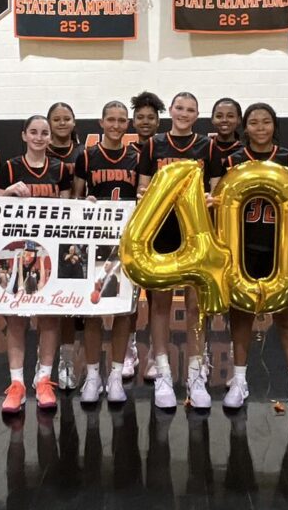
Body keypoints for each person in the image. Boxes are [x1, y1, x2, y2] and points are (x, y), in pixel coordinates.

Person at [221, 103, 288, 414]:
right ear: (245, 127)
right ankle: (239, 380)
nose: (260, 127)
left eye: (266, 122)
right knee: (241, 318)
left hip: (280, 249)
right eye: (253, 122)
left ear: (273, 125)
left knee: (287, 319)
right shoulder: (233, 160)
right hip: (242, 248)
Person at [137, 92, 219, 410]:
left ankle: (196, 376)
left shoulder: (207, 146)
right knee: (160, 305)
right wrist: (147, 195)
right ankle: (163, 374)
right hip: (162, 232)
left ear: (197, 114)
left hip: (196, 234)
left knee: (196, 306)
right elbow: (141, 188)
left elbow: (217, 189)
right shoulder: (153, 145)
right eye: (179, 108)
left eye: (190, 109)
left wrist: (212, 199)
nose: (184, 113)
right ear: (170, 111)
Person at [0, 115, 73, 414]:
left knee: (49, 317)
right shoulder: (11, 167)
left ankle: (44, 379)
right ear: (24, 135)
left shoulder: (61, 169)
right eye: (34, 132)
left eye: (45, 133)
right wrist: (8, 194)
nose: (40, 137)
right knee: (16, 319)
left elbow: (68, 208)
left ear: (51, 137)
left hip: (48, 253)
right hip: (15, 250)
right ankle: (16, 383)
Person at [72, 100, 140, 404]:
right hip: (93, 243)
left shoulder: (137, 158)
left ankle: (115, 376)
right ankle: (92, 375)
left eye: (121, 120)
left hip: (127, 243)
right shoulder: (86, 157)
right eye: (110, 119)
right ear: (101, 122)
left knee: (125, 310)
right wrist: (84, 202)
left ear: (128, 125)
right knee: (92, 310)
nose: (116, 125)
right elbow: (74, 198)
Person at [46, 101, 85, 391]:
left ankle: (68, 360)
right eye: (56, 119)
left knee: (70, 303)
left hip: (77, 233)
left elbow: (82, 194)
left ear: (74, 122)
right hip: (45, 234)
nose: (61, 123)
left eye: (66, 118)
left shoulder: (84, 153)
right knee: (44, 305)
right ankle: (45, 361)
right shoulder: (37, 151)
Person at [128, 91, 166, 381]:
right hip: (128, 231)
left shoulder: (162, 150)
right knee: (127, 294)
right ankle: (129, 349)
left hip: (158, 231)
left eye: (150, 117)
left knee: (156, 295)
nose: (145, 121)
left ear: (158, 120)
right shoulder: (126, 153)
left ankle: (155, 349)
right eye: (140, 117)